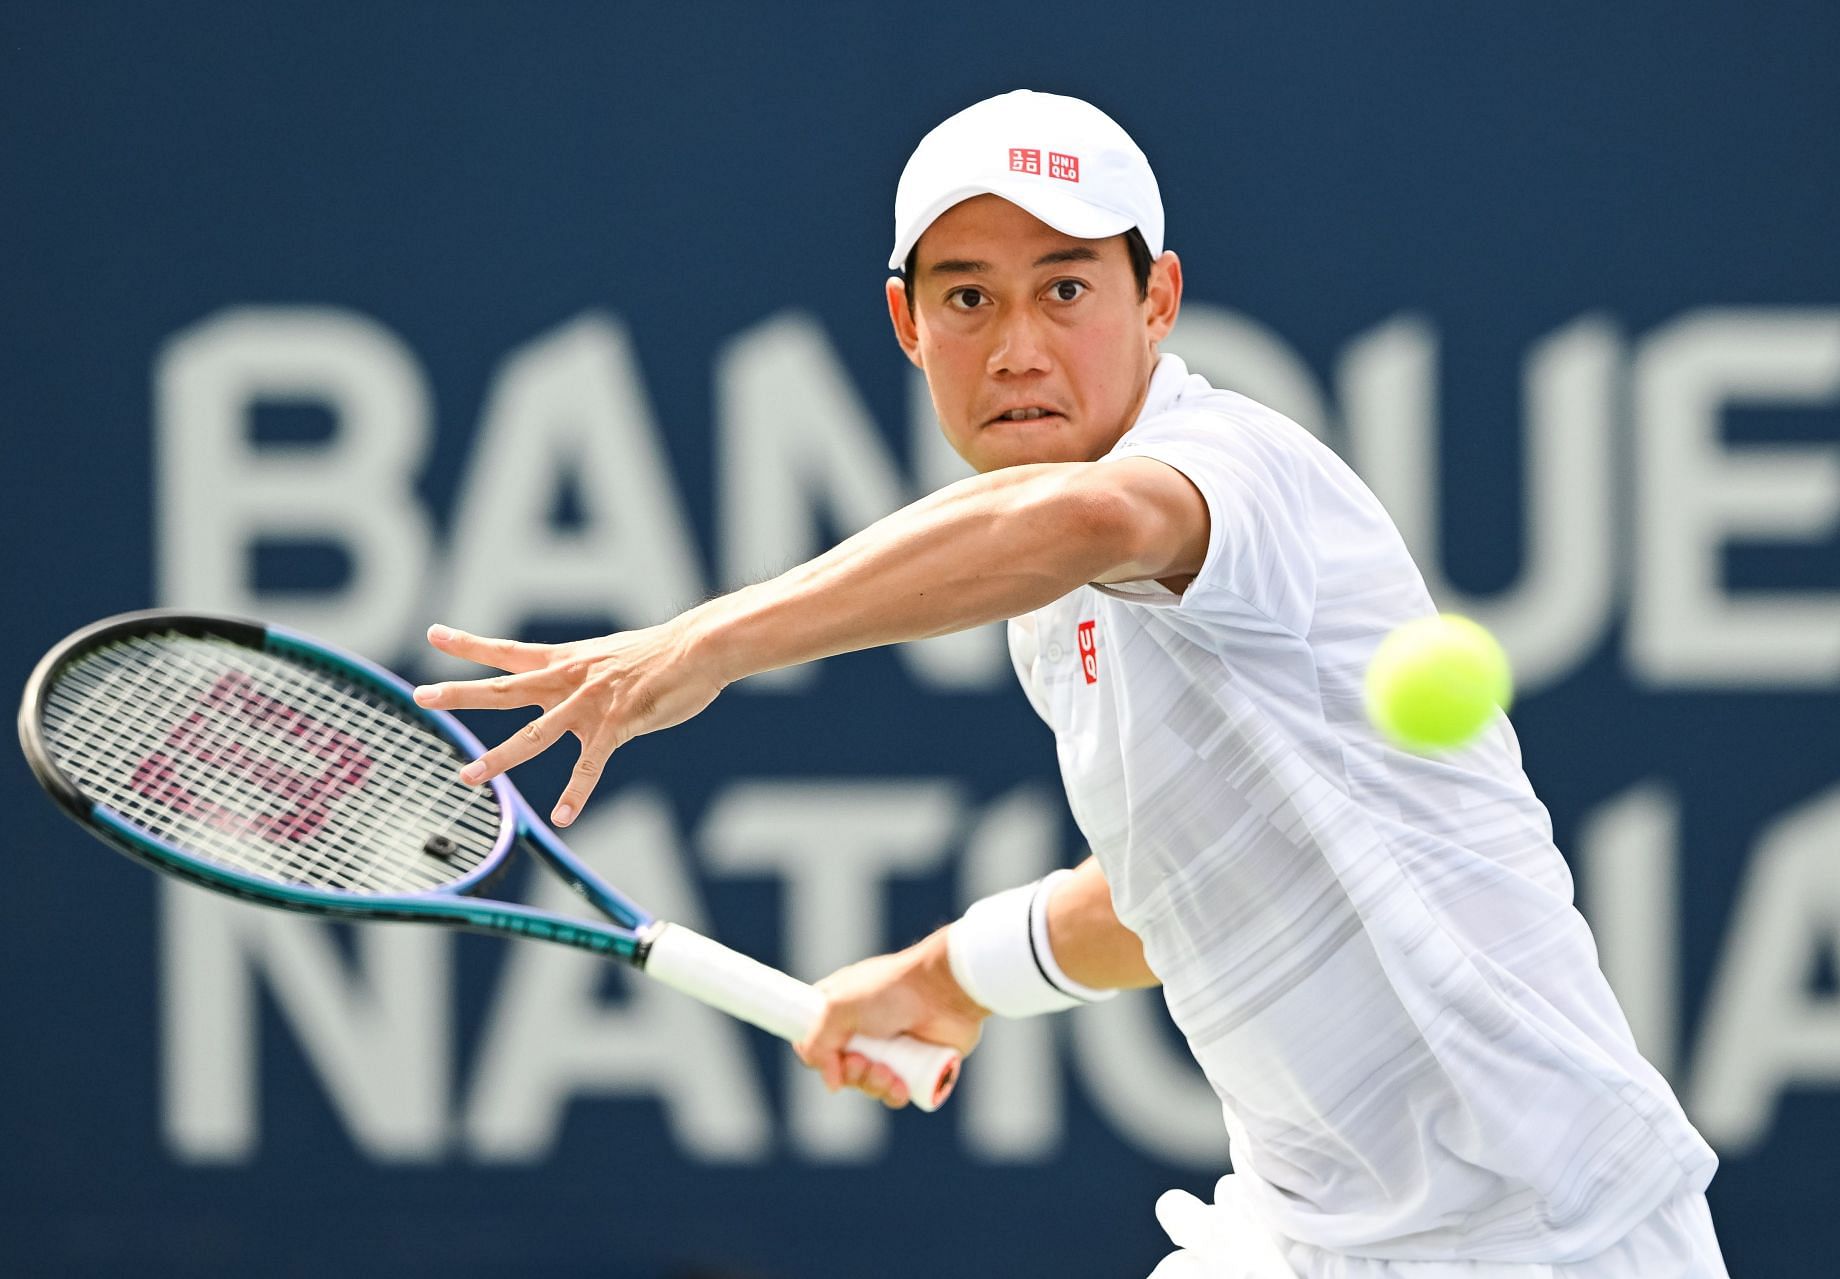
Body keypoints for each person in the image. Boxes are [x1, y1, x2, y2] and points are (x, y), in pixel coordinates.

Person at [415, 90, 1728, 1278]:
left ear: (1156, 301)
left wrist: (702, 643)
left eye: (1066, 290)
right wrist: (954, 972)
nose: (1019, 347)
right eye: (970, 298)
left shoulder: (1229, 475)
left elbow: (1089, 520)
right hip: (1306, 1234)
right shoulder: (1049, 608)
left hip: (1545, 1236)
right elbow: (1195, 883)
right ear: (907, 324)